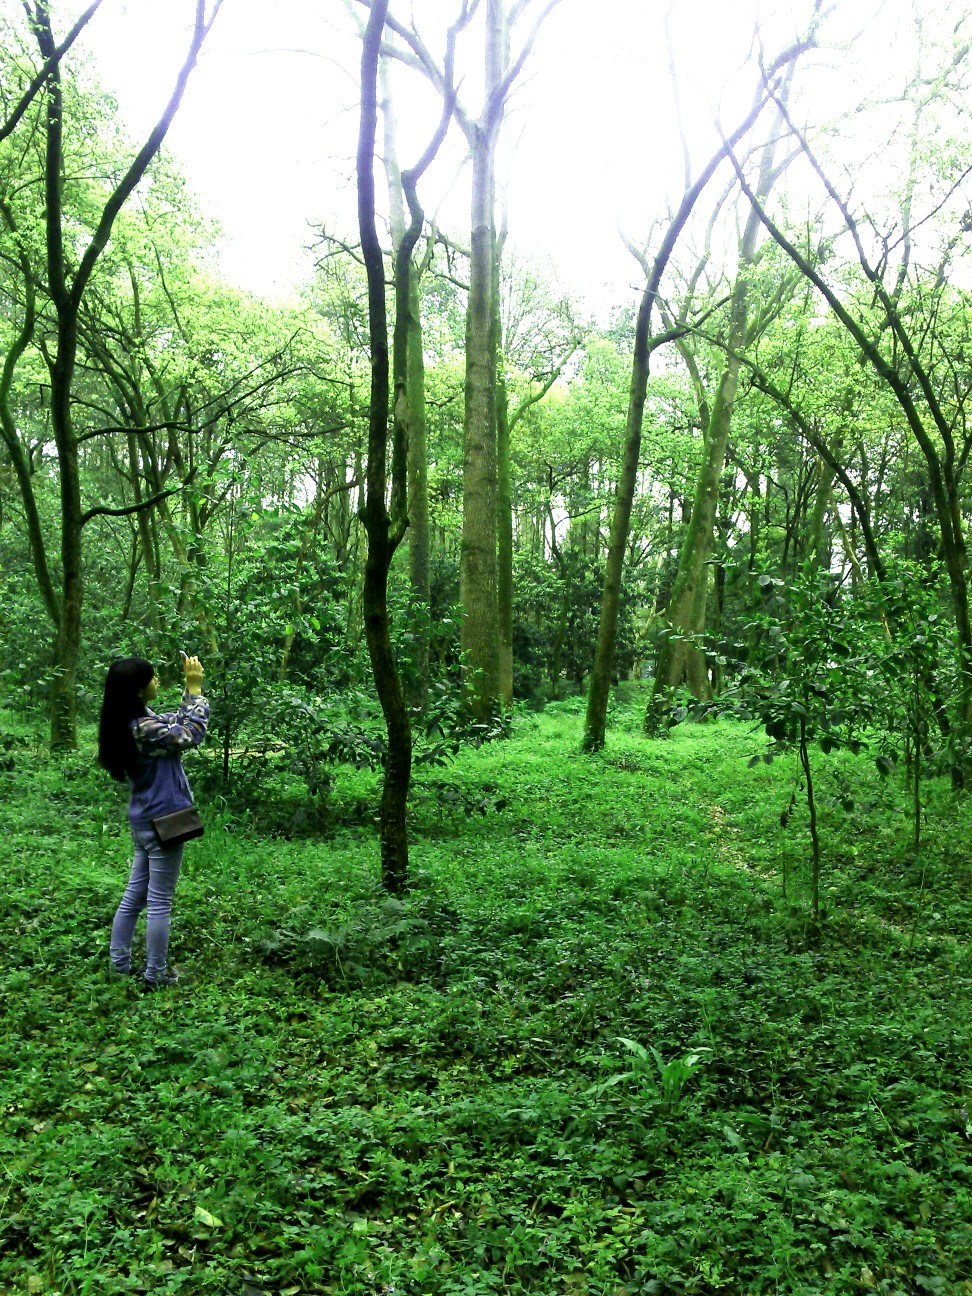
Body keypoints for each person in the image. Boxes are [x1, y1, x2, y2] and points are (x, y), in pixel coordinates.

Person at [98, 653, 210, 988]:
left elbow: (175, 721)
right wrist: (195, 688)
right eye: (151, 677)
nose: (156, 680)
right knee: (159, 900)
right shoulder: (143, 728)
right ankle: (156, 975)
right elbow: (190, 733)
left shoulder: (133, 721)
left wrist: (189, 695)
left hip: (146, 820)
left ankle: (119, 966)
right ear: (137, 689)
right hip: (165, 820)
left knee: (135, 896)